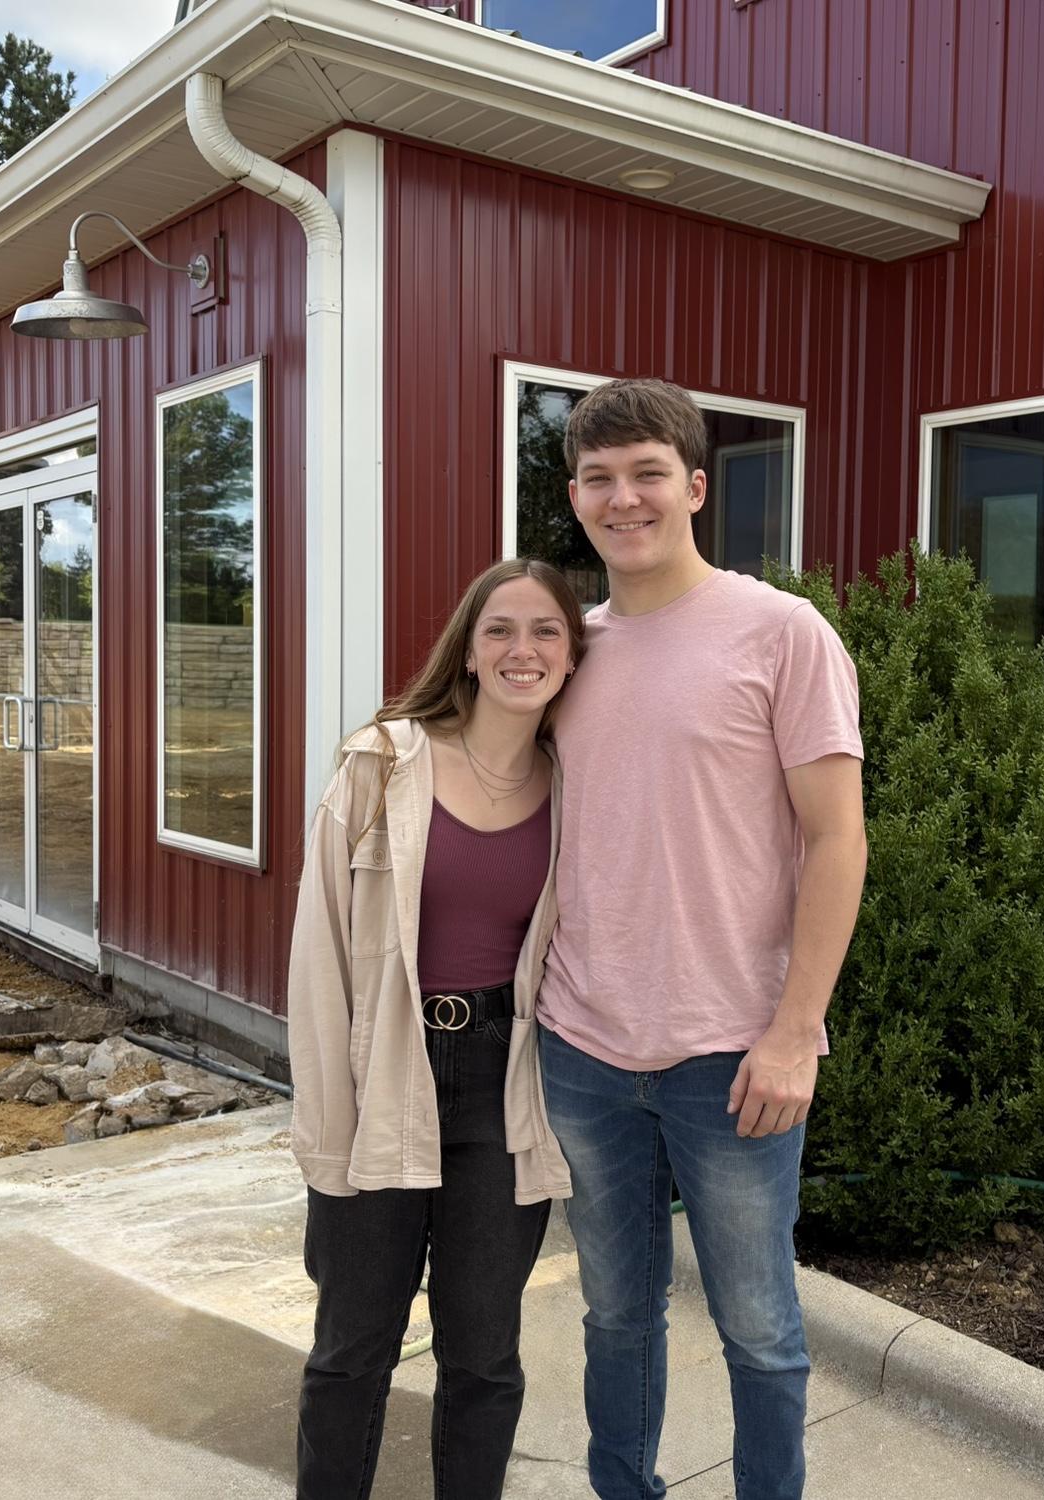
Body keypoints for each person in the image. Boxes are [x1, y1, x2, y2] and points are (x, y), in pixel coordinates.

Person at [538, 378, 868, 1500]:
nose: (622, 498)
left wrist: (795, 1032)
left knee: (760, 1329)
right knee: (614, 1316)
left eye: (646, 474)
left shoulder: (781, 632)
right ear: (574, 497)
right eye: (598, 478)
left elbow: (836, 839)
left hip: (733, 1053)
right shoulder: (569, 650)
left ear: (693, 487)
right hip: (583, 1048)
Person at [287, 558, 584, 1500]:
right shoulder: (383, 763)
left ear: (572, 656)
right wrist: (327, 1121)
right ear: (467, 651)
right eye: (500, 629)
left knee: (485, 1356)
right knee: (351, 1348)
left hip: (503, 1083)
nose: (522, 650)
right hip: (384, 1066)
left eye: (546, 630)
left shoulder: (575, 788)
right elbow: (320, 955)